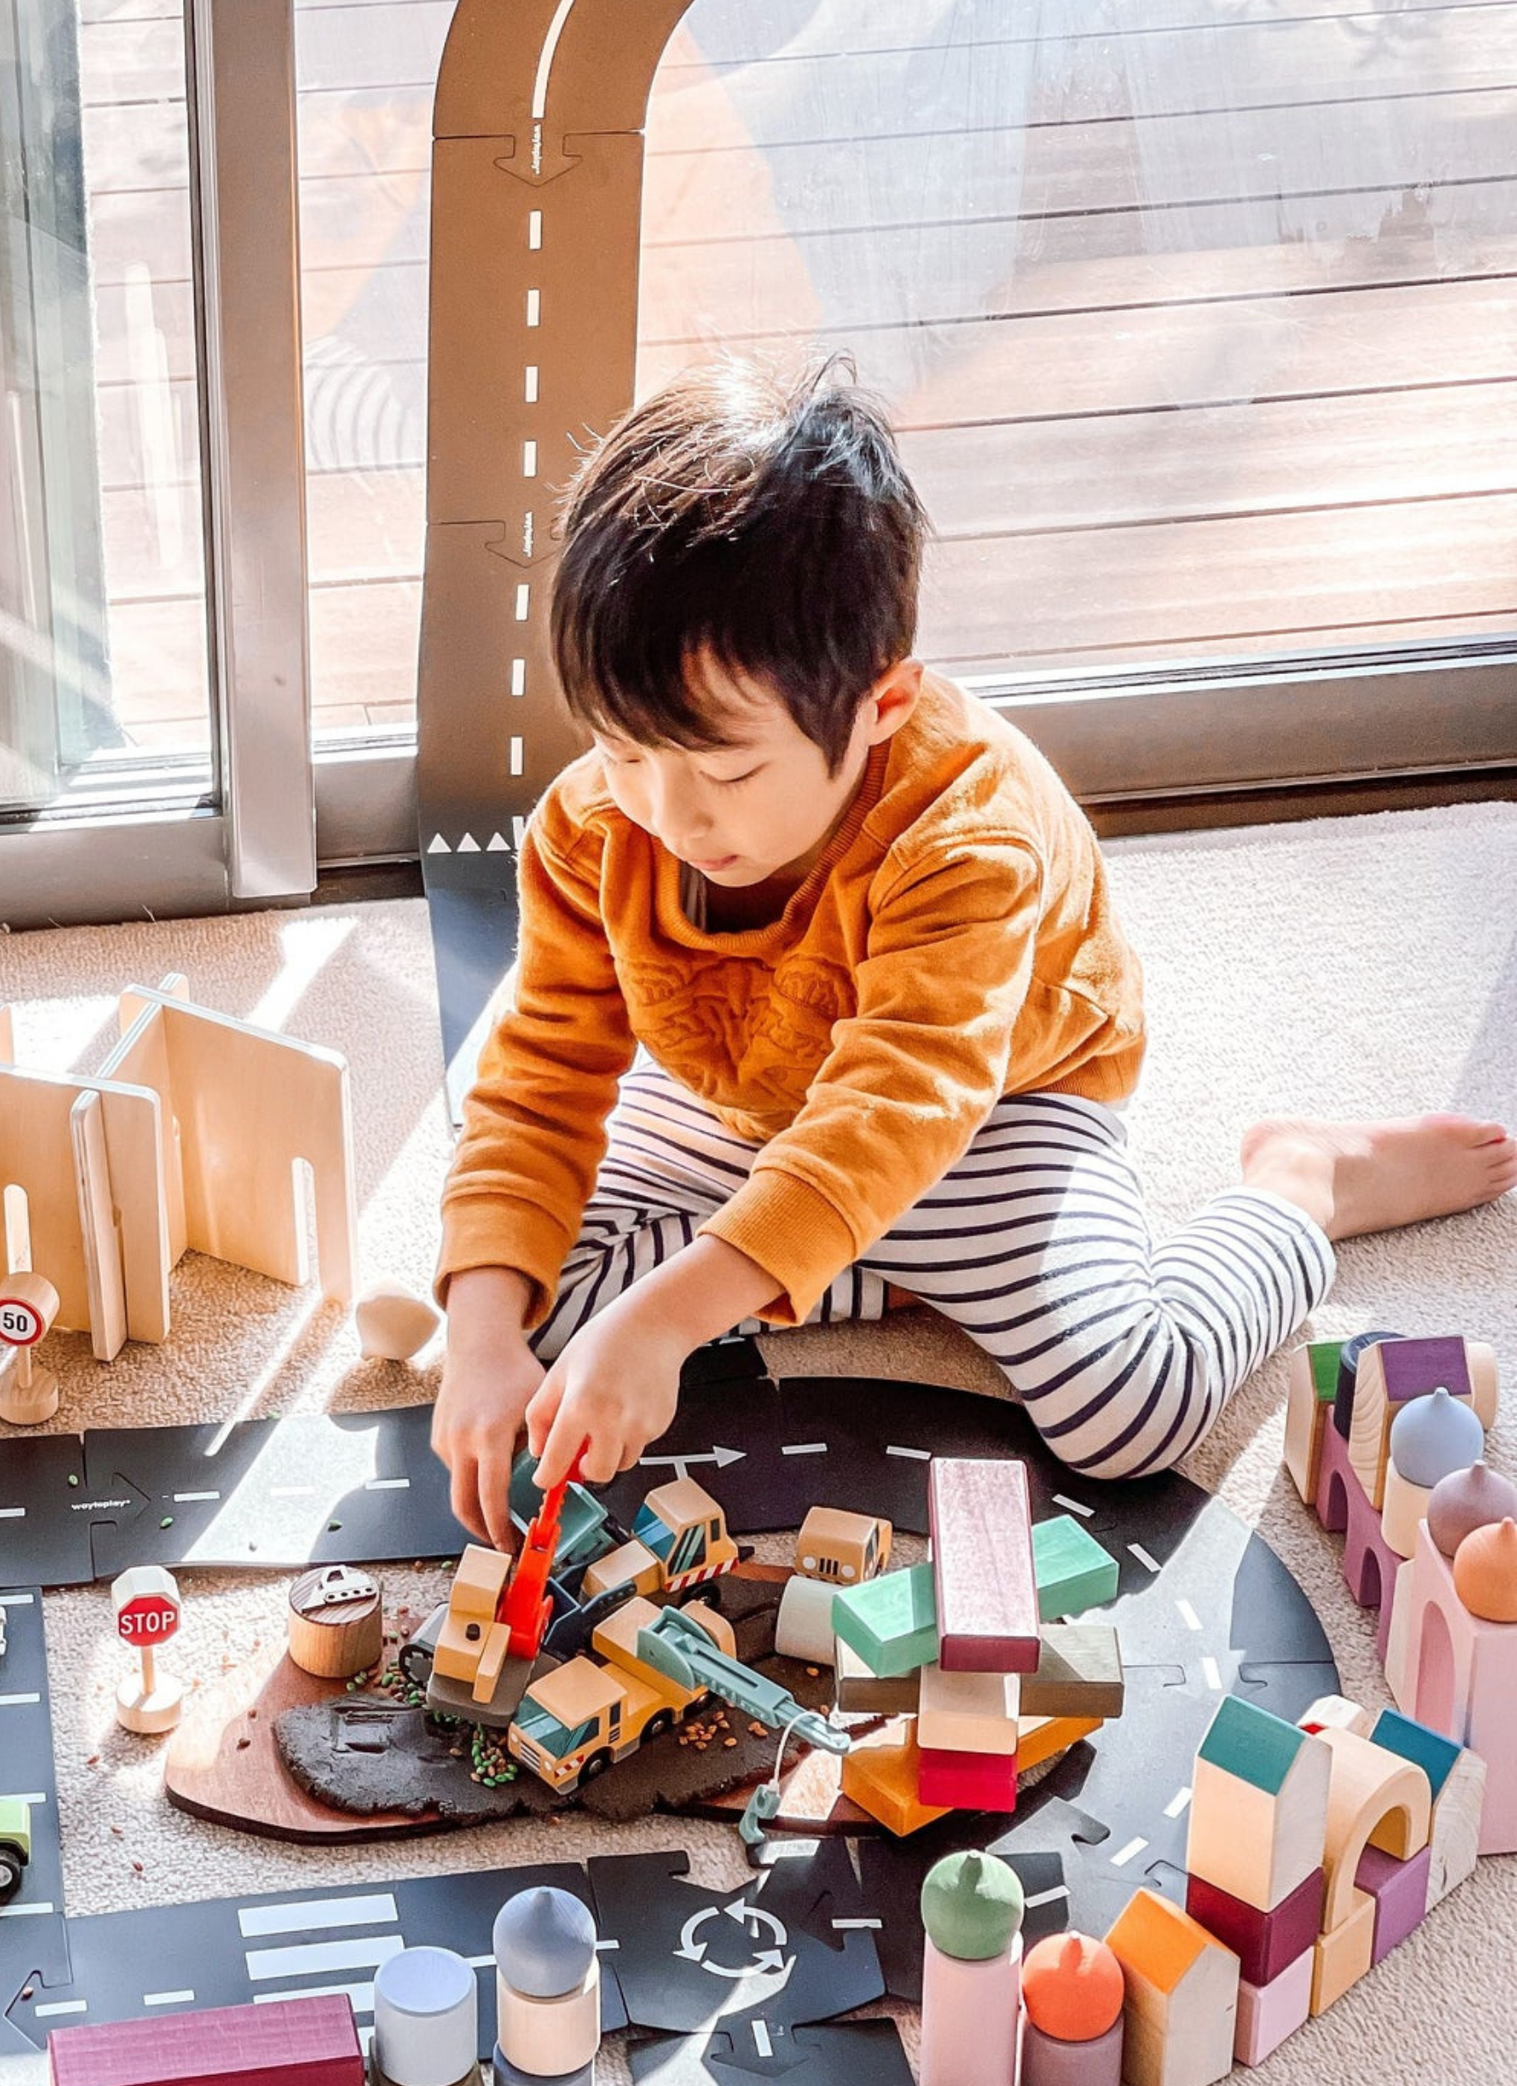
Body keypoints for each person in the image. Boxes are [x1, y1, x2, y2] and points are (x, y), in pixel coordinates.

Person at [431, 353, 1515, 1548]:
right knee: (532, 1328)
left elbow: (896, 1108)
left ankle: (1301, 1184)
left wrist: (662, 1322)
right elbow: (537, 1081)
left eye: (728, 771)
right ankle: (857, 1269)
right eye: (623, 749)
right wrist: (481, 1340)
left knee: (1126, 1415)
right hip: (735, 1103)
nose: (669, 815)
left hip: (985, 1110)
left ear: (882, 705)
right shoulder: (599, 821)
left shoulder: (963, 834)